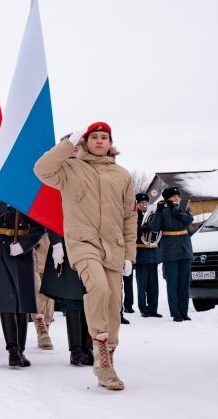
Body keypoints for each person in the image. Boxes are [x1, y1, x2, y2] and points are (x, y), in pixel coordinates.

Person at [34, 122, 136, 391]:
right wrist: (69, 144)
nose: (100, 141)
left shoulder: (122, 175)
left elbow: (129, 217)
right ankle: (100, 353)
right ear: (86, 141)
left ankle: (108, 357)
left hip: (113, 246)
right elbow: (41, 169)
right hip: (83, 242)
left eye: (105, 137)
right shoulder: (69, 168)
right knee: (98, 289)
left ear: (110, 142)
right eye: (94, 137)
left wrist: (129, 254)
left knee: (114, 304)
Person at [0, 186, 46, 367]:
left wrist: (25, 245)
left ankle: (21, 349)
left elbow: (39, 226)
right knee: (7, 298)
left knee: (23, 300)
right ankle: (12, 350)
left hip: (20, 249)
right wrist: (7, 200)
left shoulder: (27, 189)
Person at [41, 230, 94, 366]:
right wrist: (57, 244)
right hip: (69, 242)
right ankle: (76, 349)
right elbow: (55, 216)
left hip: (91, 243)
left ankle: (88, 346)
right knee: (74, 296)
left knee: (90, 296)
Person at [151, 187, 193, 322]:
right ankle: (176, 313)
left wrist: (177, 211)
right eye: (173, 196)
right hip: (170, 251)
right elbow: (155, 228)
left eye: (177, 196)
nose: (176, 198)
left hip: (185, 249)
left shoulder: (183, 208)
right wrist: (158, 211)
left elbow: (189, 220)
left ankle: (184, 312)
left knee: (184, 283)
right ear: (167, 198)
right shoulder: (162, 210)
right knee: (172, 283)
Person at [134, 193, 162, 317]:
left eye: (146, 203)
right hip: (141, 254)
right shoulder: (133, 217)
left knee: (153, 285)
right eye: (141, 203)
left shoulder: (152, 216)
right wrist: (140, 230)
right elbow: (129, 233)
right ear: (137, 204)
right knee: (142, 284)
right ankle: (143, 309)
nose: (144, 205)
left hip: (153, 253)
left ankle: (153, 308)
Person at [31, 233, 56, 349]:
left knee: (49, 290)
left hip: (49, 244)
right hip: (28, 244)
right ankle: (40, 326)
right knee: (35, 288)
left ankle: (46, 325)